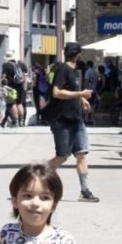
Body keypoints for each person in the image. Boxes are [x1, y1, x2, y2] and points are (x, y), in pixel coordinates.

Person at [47, 41, 99, 202]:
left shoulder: (74, 71)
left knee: (81, 154)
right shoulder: (63, 69)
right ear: (78, 55)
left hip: (77, 120)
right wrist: (81, 94)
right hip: (62, 120)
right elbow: (56, 92)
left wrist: (82, 99)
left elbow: (72, 91)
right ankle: (36, 176)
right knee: (62, 156)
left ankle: (85, 191)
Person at [1, 49, 25, 127]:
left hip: (11, 87)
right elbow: (24, 75)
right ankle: (21, 121)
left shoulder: (5, 65)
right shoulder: (19, 64)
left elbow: (3, 76)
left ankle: (16, 121)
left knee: (12, 103)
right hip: (20, 86)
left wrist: (2, 83)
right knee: (19, 103)